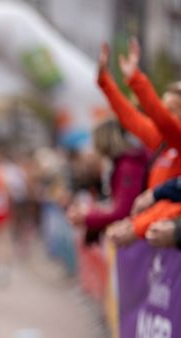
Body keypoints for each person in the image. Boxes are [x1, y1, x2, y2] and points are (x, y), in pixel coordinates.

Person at [96, 41, 181, 245]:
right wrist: (105, 82)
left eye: (172, 109)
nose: (162, 113)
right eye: (163, 106)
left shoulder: (174, 137)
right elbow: (130, 118)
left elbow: (162, 119)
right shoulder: (163, 143)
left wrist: (136, 79)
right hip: (153, 225)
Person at [67, 118, 148, 234]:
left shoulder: (127, 166)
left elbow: (124, 210)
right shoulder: (121, 164)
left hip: (134, 233)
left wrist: (88, 217)